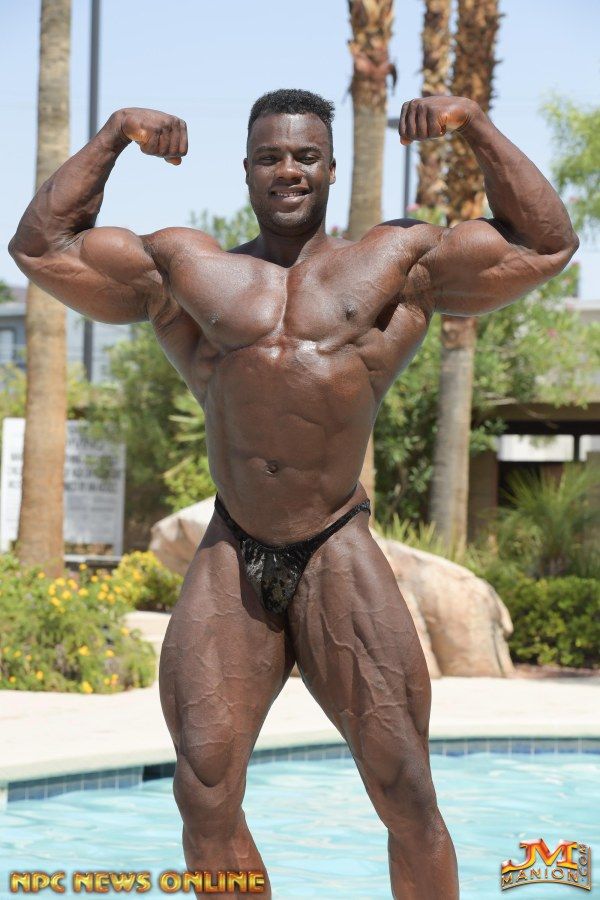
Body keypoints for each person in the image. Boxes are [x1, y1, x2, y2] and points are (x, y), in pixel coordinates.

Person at [9, 88, 578, 899]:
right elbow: (40, 248)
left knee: (406, 790)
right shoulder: (188, 269)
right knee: (203, 791)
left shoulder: (395, 261)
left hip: (335, 543)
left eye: (306, 156)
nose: (288, 170)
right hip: (233, 547)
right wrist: (115, 135)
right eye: (271, 156)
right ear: (246, 170)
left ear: (332, 169)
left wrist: (476, 125)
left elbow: (546, 243)